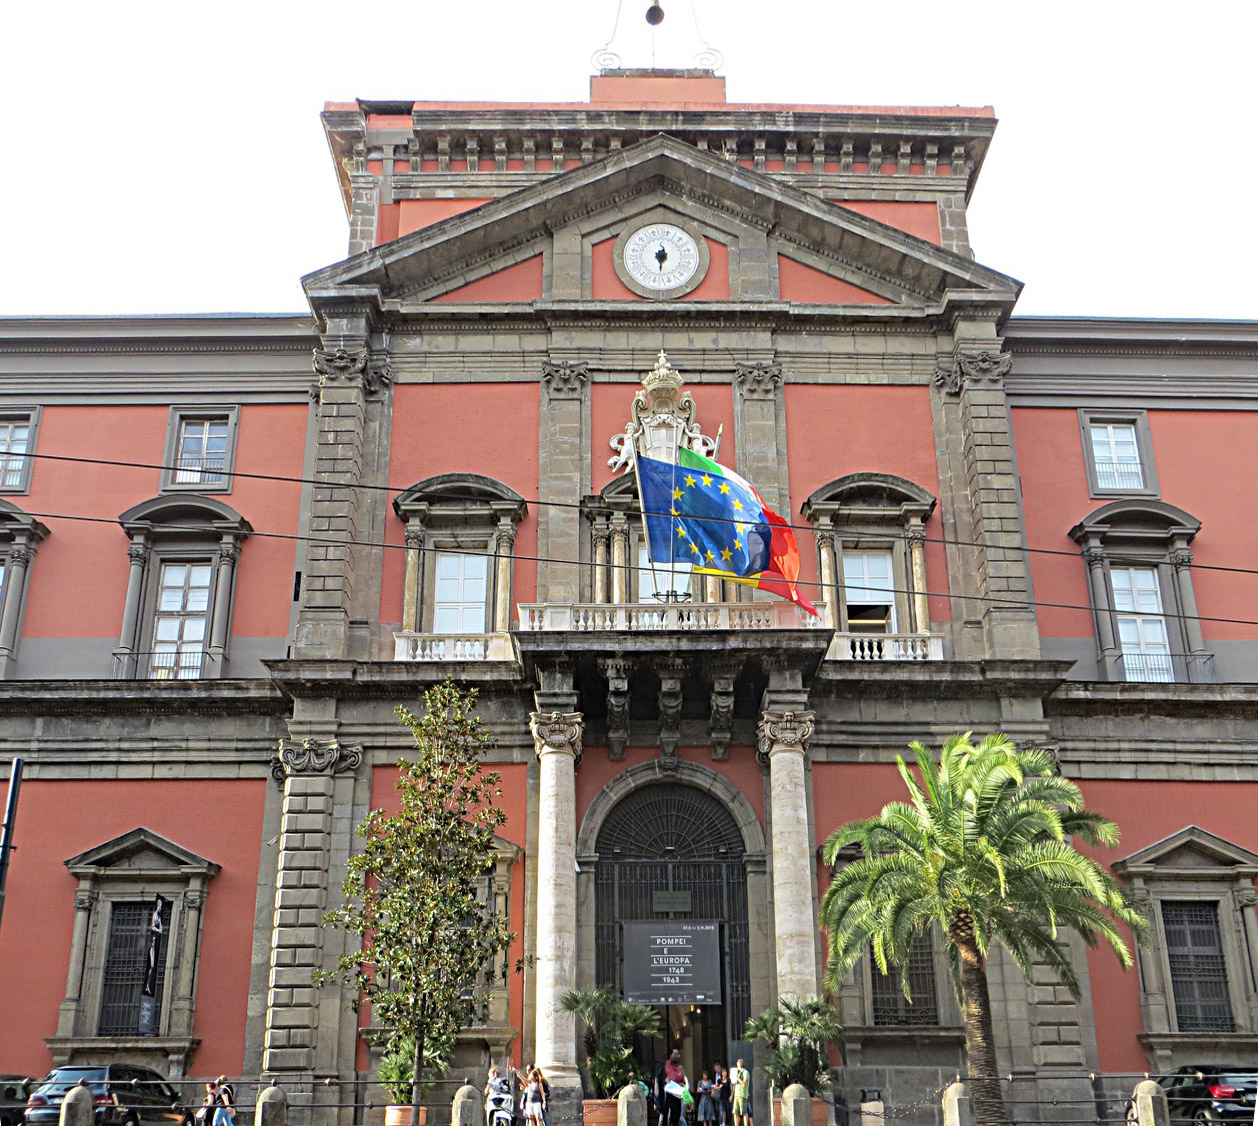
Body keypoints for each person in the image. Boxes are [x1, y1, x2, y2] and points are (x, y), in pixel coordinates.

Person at [662, 1049, 687, 1126]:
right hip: (668, 1097)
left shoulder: (680, 1068)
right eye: (675, 1054)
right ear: (670, 1056)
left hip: (678, 1097)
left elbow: (685, 1082)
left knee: (678, 1117)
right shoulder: (665, 1068)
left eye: (678, 1054)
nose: (677, 1056)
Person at [729, 1060, 751, 1126]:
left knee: (744, 1112)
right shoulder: (739, 1073)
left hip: (742, 1095)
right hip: (737, 1095)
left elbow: (744, 1083)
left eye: (737, 1065)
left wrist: (737, 1078)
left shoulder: (745, 1073)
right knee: (735, 1112)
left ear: (740, 1065)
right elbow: (734, 1083)